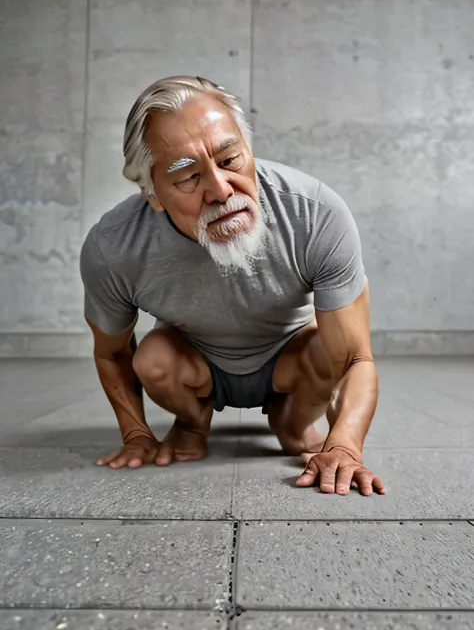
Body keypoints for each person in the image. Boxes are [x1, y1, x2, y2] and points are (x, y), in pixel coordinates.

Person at [80, 75, 385, 497]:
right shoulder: (113, 246)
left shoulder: (316, 213)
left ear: (247, 147)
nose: (220, 190)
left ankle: (292, 423)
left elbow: (355, 359)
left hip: (293, 361)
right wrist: (136, 435)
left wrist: (345, 445)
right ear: (151, 192)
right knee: (151, 358)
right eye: (188, 177)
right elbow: (112, 353)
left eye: (229, 159)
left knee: (329, 347)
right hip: (195, 363)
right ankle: (191, 420)